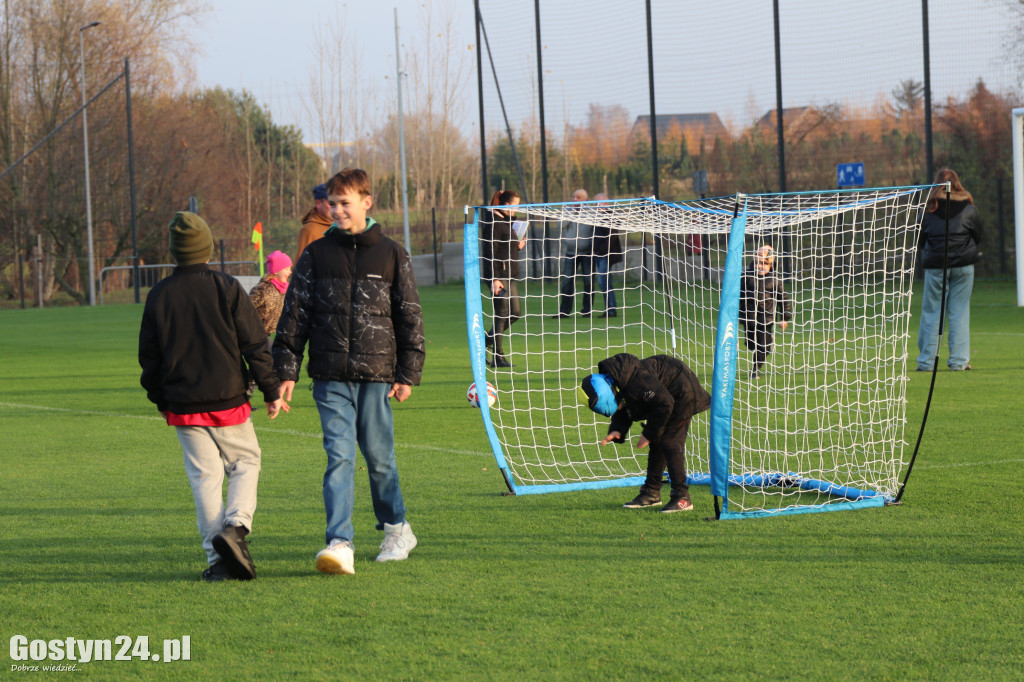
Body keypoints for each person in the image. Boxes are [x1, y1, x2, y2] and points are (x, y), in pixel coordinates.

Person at [273, 168, 426, 575]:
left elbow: (409, 316)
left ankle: (396, 529)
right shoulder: (316, 254)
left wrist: (408, 372)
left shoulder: (393, 253)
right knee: (339, 456)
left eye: (345, 203)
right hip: (328, 377)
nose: (337, 210)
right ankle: (339, 543)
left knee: (379, 458)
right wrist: (286, 369)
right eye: (333, 203)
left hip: (377, 376)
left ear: (366, 202)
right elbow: (295, 315)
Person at [139, 211, 288, 582]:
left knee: (204, 478)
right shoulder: (226, 286)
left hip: (183, 405)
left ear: (175, 252)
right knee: (246, 462)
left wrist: (160, 400)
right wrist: (271, 389)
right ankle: (235, 529)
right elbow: (254, 342)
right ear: (206, 248)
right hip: (227, 400)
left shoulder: (159, 294)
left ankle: (218, 561)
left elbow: (149, 356)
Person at [582, 353, 710, 513]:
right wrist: (617, 429)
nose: (619, 408)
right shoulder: (621, 380)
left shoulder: (638, 382)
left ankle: (682, 497)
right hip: (667, 398)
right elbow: (625, 406)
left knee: (669, 442)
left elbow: (665, 403)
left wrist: (649, 434)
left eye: (616, 405)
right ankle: (651, 492)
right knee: (658, 443)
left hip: (683, 394)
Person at [915, 168, 983, 372]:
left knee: (931, 312)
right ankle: (959, 361)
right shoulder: (969, 208)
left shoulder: (928, 208)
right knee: (959, 312)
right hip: (963, 266)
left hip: (936, 267)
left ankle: (926, 362)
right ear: (958, 184)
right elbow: (978, 235)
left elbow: (920, 240)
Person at [480, 189, 525, 368]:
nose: (516, 210)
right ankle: (498, 357)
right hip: (499, 276)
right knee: (501, 314)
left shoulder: (507, 221)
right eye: (515, 206)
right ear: (507, 205)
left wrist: (518, 245)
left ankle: (485, 342)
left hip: (510, 275)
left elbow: (506, 247)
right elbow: (489, 253)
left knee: (516, 313)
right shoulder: (493, 222)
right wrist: (494, 279)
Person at [739, 244, 792, 380]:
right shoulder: (746, 277)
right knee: (751, 344)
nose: (760, 266)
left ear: (771, 265)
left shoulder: (775, 280)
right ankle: (751, 344)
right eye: (758, 263)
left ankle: (756, 369)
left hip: (766, 319)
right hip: (749, 318)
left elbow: (783, 299)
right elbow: (739, 296)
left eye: (764, 264)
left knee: (764, 347)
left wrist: (784, 317)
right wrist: (739, 314)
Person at [552, 188, 593, 318]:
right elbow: (561, 225)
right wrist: (571, 213)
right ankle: (564, 311)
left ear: (585, 200)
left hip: (587, 253)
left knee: (588, 281)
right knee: (567, 281)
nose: (575, 199)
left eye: (578, 197)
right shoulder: (567, 211)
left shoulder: (591, 212)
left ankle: (587, 310)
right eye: (573, 196)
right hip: (570, 253)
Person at [591, 193, 622, 318]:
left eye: (599, 203)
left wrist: (602, 250)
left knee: (603, 280)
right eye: (595, 203)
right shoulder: (597, 217)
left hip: (606, 255)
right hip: (599, 254)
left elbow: (612, 236)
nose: (597, 205)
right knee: (605, 281)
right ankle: (611, 308)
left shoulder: (610, 216)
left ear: (606, 204)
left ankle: (611, 309)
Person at [249, 250, 293, 337]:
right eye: (287, 269)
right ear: (276, 271)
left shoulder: (284, 288)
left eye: (290, 269)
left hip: (269, 333)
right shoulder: (263, 288)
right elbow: (246, 307)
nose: (290, 272)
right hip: (255, 333)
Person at [295, 183, 332, 264]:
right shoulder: (309, 230)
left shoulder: (341, 226)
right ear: (318, 203)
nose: (335, 207)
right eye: (330, 203)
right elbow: (301, 266)